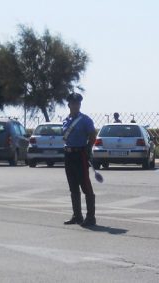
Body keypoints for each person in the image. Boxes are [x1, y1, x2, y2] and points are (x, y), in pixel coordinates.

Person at [62, 92, 97, 227]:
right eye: (74, 103)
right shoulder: (66, 120)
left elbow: (92, 135)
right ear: (69, 105)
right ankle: (77, 215)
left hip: (80, 154)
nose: (76, 105)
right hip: (68, 155)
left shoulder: (85, 120)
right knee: (73, 186)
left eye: (78, 103)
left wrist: (88, 148)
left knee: (86, 186)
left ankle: (90, 217)